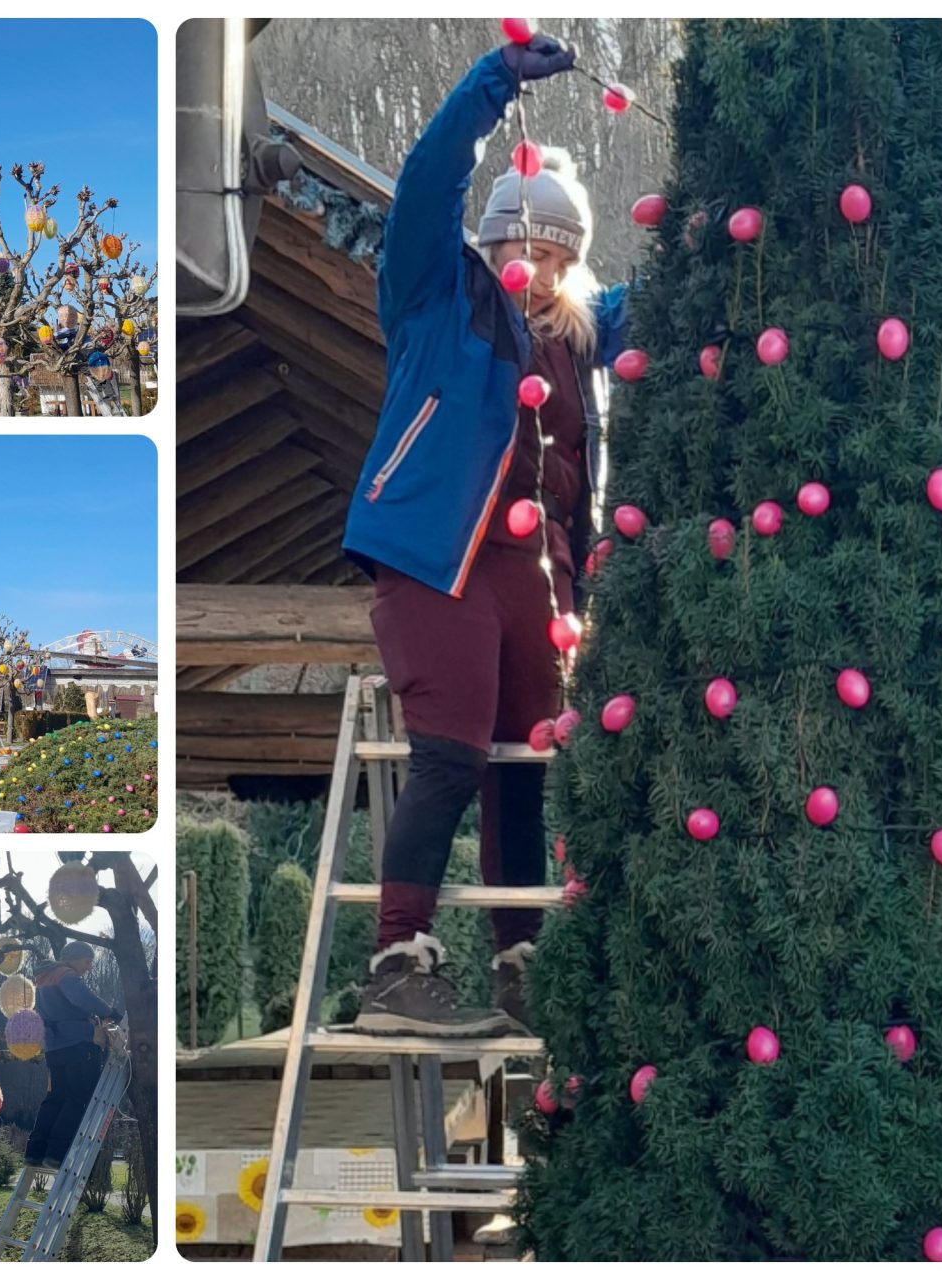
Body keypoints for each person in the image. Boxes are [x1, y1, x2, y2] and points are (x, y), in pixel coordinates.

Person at [340, 31, 631, 1038]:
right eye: (523, 246)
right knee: (452, 754)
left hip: (536, 583)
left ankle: (521, 964)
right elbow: (426, 180)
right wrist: (493, 84)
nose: (536, 267)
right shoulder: (434, 293)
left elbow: (675, 297)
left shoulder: (581, 330)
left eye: (556, 254)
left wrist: (726, 227)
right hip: (436, 557)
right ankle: (395, 960)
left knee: (525, 766)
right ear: (497, 242)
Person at [24, 941, 122, 1174]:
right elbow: (82, 998)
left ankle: (35, 1151)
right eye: (87, 962)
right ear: (74, 959)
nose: (88, 968)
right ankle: (57, 1154)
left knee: (56, 1097)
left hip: (55, 1047)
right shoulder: (66, 976)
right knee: (78, 1097)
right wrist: (110, 1013)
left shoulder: (44, 979)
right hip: (78, 1044)